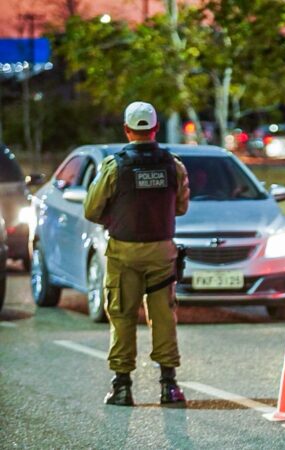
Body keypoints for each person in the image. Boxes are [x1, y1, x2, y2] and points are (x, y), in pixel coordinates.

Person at [84, 101, 190, 407]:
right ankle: (169, 387)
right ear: (155, 129)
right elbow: (181, 207)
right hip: (162, 252)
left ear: (127, 130)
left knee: (122, 316)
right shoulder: (174, 165)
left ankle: (122, 387)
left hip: (124, 253)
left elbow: (92, 209)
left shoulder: (115, 166)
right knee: (164, 317)